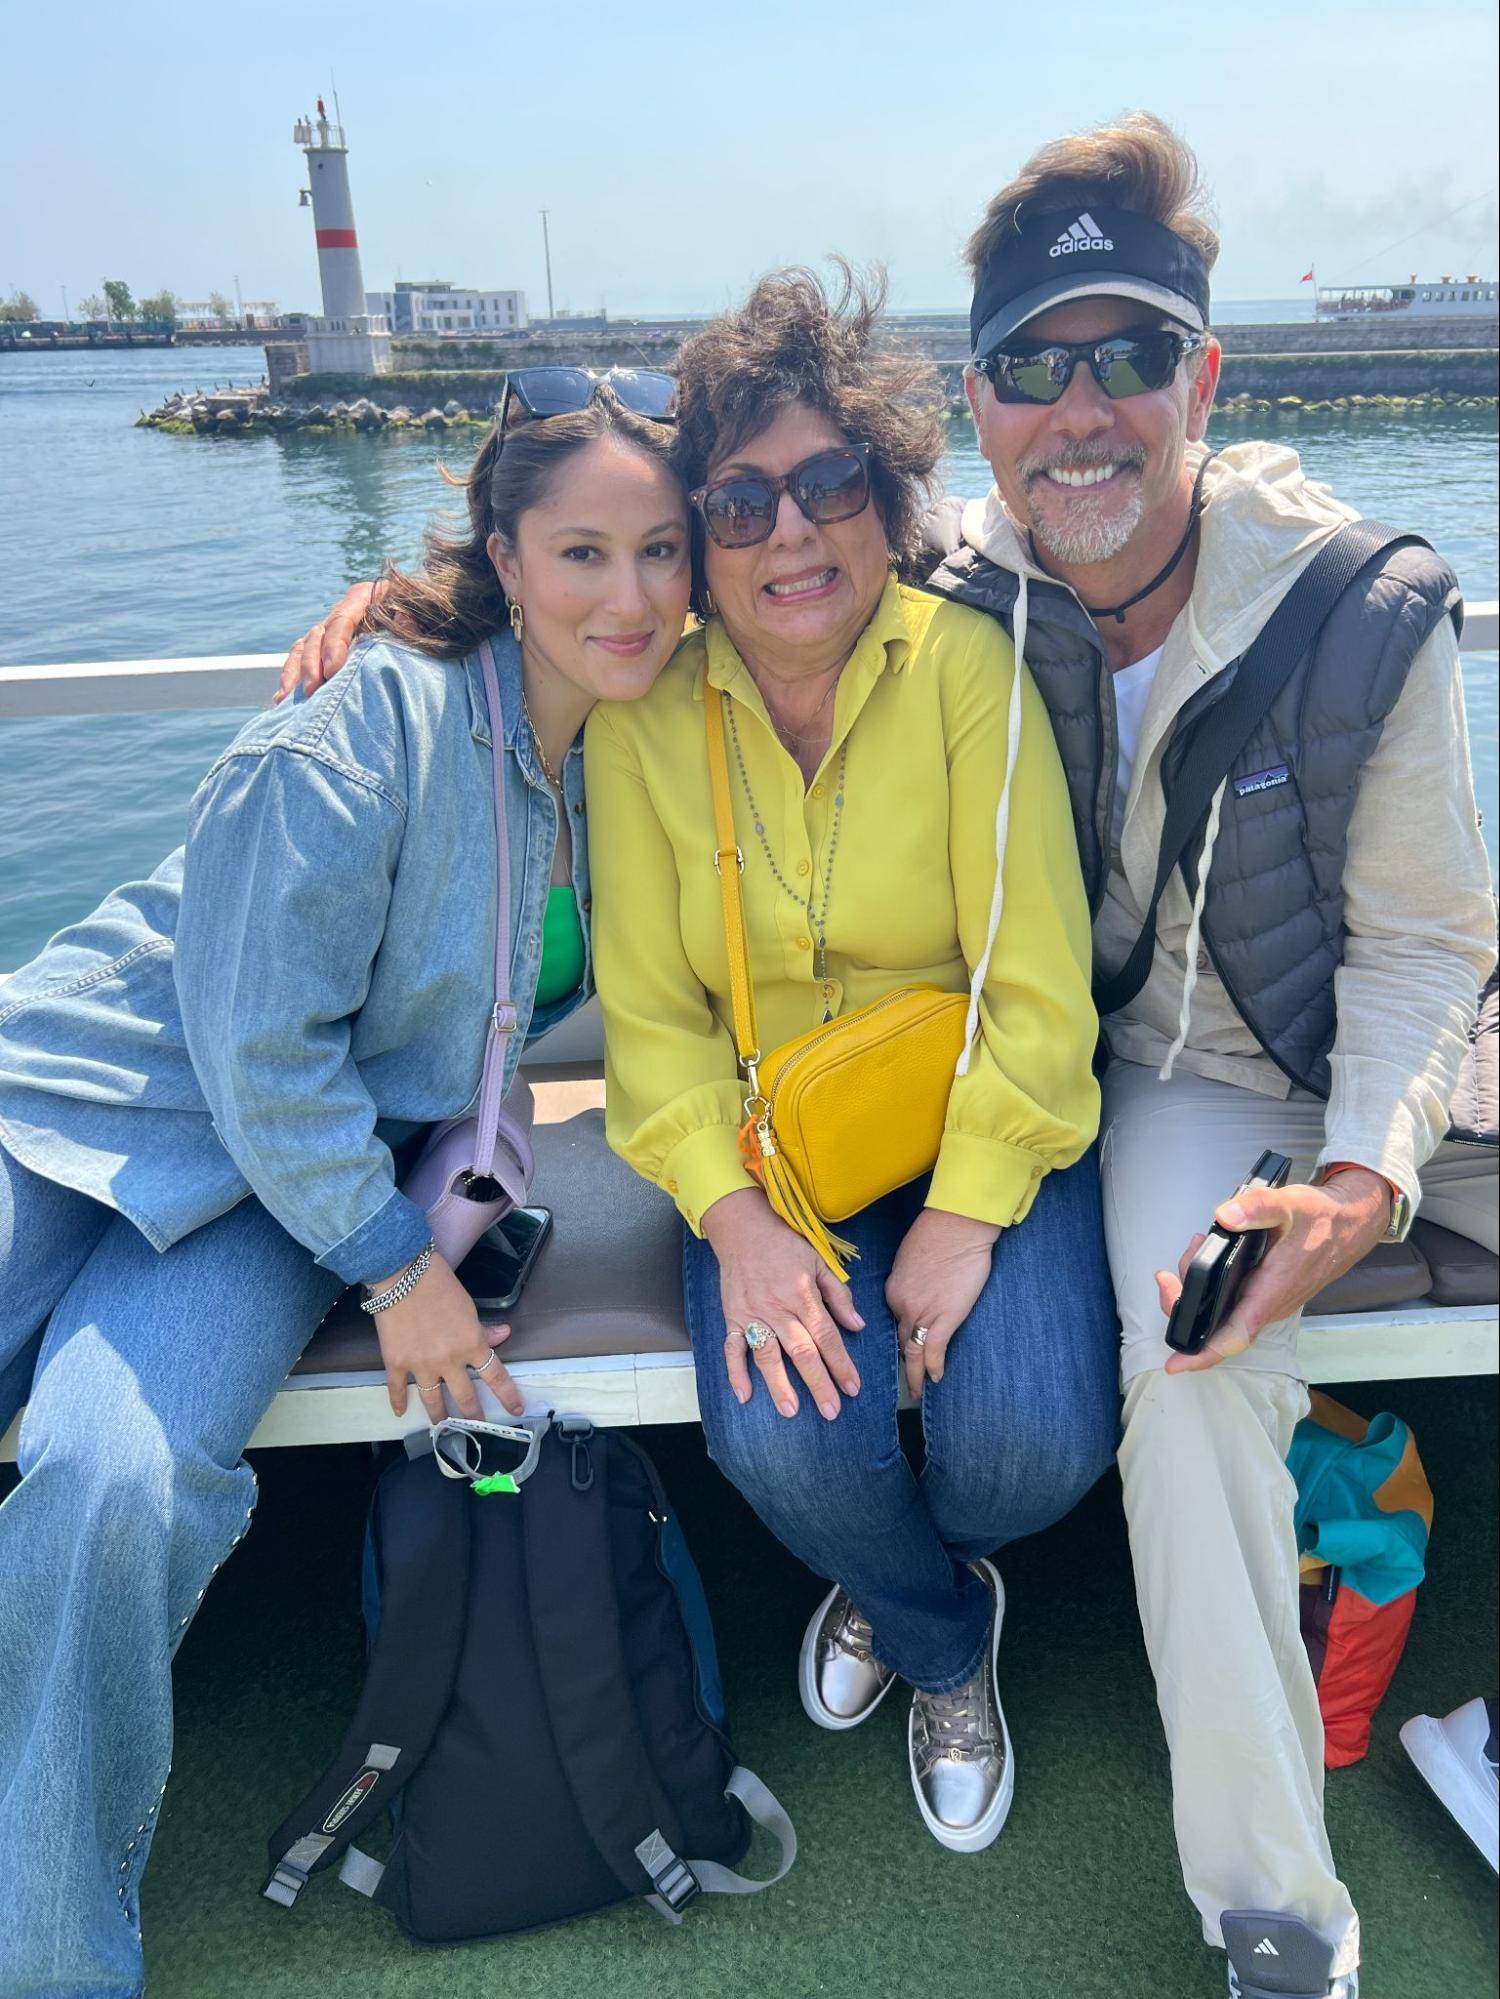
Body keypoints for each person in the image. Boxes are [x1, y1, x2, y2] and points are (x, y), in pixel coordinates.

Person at [0, 374, 690, 1999]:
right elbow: (256, 1041)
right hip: (90, 1104)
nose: (633, 595)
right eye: (581, 549)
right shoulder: (365, 726)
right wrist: (398, 1272)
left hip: (277, 1195)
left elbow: (891, 541)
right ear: (504, 554)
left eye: (664, 550)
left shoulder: (646, 742)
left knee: (116, 1480)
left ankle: (48, 1955)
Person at [923, 113, 1496, 1996]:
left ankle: (1276, 1918)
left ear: (1206, 374)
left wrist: (1353, 1185)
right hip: (1005, 1066)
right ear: (977, 404)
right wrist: (418, 617)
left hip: (1232, 1078)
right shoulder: (957, 579)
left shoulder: (1360, 613)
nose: (1079, 414)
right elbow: (706, 570)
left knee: (1199, 1351)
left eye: (1129, 356)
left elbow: (1422, 945)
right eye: (1031, 366)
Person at [586, 267, 1119, 1854]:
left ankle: (897, 1588)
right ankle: (941, 1629)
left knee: (1031, 1441)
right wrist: (733, 1223)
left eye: (829, 485)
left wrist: (966, 1215)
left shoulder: (964, 671)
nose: (791, 535)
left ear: (885, 499)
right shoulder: (644, 719)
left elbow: (1035, 981)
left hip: (973, 1115)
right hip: (778, 1151)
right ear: (696, 537)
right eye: (738, 504)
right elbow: (653, 1023)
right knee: (779, 1438)